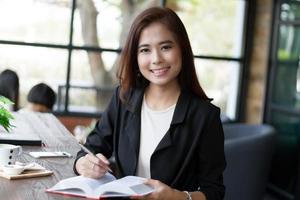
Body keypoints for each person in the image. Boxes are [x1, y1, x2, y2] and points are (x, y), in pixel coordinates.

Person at [74, 7, 226, 200]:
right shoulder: (123, 98)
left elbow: (214, 192)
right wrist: (82, 163)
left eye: (166, 47)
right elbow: (91, 148)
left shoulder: (205, 116)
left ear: (182, 49)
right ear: (135, 58)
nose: (156, 59)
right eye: (145, 50)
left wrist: (177, 197)